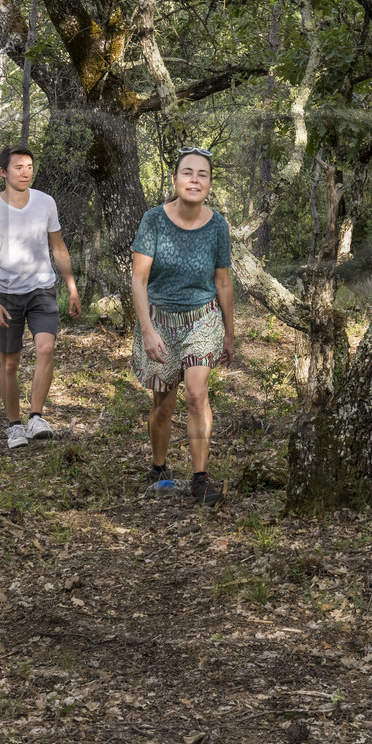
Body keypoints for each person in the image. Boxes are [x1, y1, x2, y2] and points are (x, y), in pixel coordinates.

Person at [131, 146, 236, 507]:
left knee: (195, 394)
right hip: (160, 320)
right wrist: (147, 330)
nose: (194, 179)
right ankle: (159, 469)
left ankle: (200, 478)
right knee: (163, 404)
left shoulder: (218, 225)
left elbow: (223, 281)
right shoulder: (153, 221)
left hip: (201, 318)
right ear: (175, 179)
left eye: (202, 174)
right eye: (187, 173)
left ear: (209, 183)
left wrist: (229, 331)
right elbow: (139, 280)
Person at [0, 144, 81, 449]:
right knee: (9, 364)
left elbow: (58, 248)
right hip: (6, 295)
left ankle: (36, 417)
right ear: (3, 172)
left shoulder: (45, 203)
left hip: (41, 289)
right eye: (18, 167)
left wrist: (71, 287)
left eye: (29, 167)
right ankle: (14, 426)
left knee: (45, 348)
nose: (25, 173)